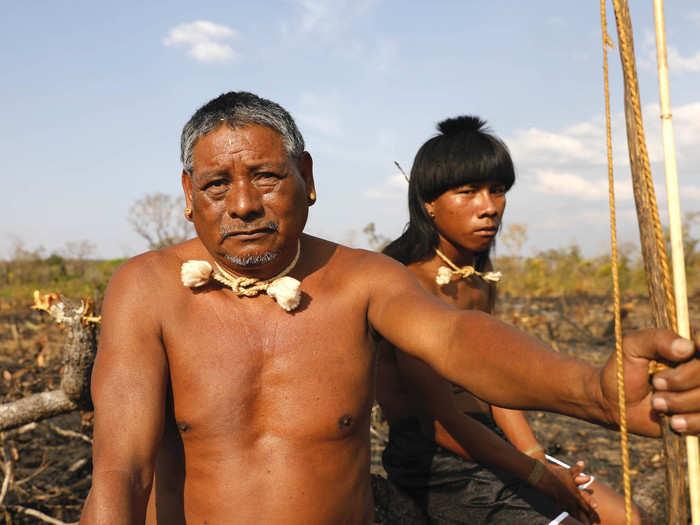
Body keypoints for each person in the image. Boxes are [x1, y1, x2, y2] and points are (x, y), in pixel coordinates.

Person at [79, 91, 700, 525]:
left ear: (307, 177)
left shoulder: (361, 279)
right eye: (217, 185)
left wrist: (593, 390)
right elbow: (121, 473)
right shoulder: (148, 288)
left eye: (266, 177)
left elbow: (457, 339)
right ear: (189, 196)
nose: (242, 204)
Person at [376, 115, 645, 524]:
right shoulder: (404, 287)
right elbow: (442, 422)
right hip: (438, 463)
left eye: (497, 191)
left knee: (622, 516)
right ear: (429, 202)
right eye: (467, 192)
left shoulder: (479, 282)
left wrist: (536, 457)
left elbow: (495, 386)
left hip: (491, 441)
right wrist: (540, 475)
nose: (488, 208)